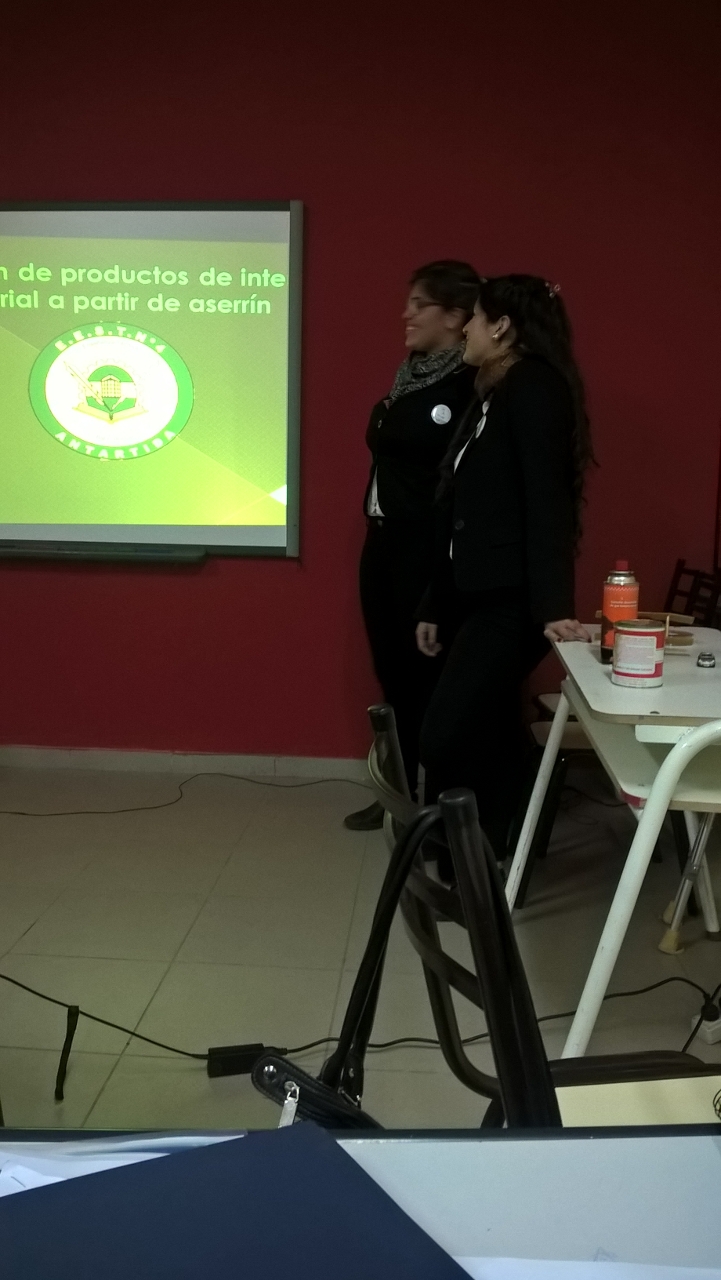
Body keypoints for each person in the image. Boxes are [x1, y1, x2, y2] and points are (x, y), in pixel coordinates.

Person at [415, 274, 592, 862]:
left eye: (475, 316)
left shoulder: (534, 387)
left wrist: (554, 608)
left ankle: (484, 848)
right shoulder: (493, 391)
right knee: (486, 727)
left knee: (447, 732)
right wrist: (437, 603)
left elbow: (547, 500)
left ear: (502, 326)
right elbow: (464, 514)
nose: (465, 327)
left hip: (513, 601)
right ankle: (488, 854)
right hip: (479, 594)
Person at [345, 260, 481, 830]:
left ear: (454, 316)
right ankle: (397, 796)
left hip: (425, 550)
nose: (406, 314)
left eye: (419, 304)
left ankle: (435, 804)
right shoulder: (411, 377)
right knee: (391, 671)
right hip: (382, 543)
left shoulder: (468, 386)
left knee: (427, 676)